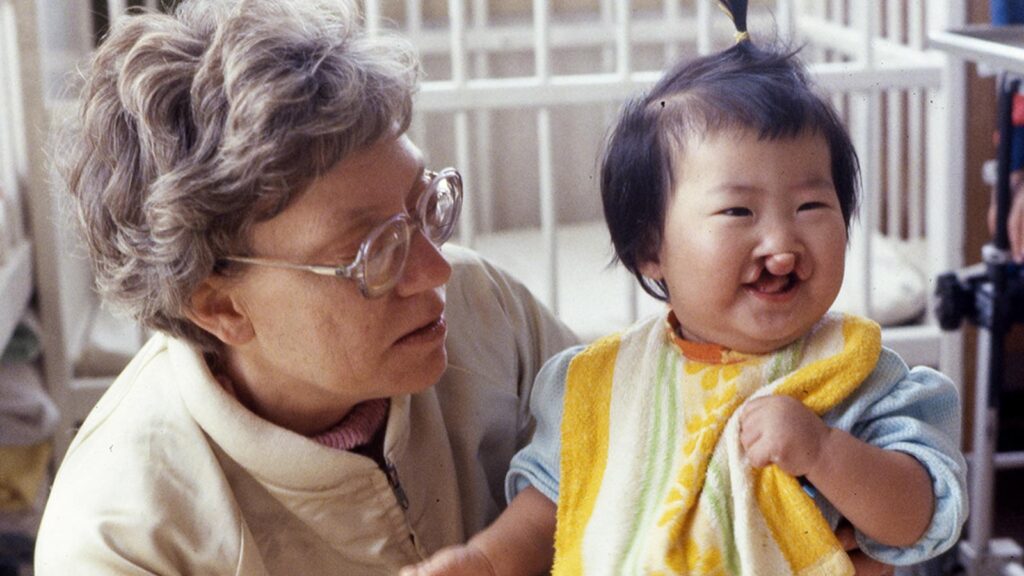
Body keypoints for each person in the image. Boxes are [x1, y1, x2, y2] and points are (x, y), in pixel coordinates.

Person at [403, 6, 967, 576]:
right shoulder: (603, 384)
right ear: (651, 247)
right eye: (738, 210)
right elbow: (552, 507)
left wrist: (824, 451)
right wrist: (483, 561)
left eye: (811, 206)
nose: (781, 242)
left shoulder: (859, 377)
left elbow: (918, 518)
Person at [32, 1, 581, 574]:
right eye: (372, 252)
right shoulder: (120, 540)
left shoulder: (485, 307)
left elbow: (641, 426)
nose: (435, 271)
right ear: (221, 308)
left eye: (425, 204)